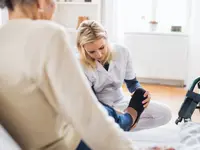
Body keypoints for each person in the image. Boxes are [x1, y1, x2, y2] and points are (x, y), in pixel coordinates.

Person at [0, 0, 143, 149]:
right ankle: (129, 118)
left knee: (107, 111)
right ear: (42, 3)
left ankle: (127, 118)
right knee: (105, 113)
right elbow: (88, 116)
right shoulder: (48, 34)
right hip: (68, 144)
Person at [76, 20, 172, 131]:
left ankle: (121, 125)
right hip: (98, 108)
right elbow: (90, 99)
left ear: (106, 38)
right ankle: (123, 123)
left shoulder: (122, 52)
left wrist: (141, 93)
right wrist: (114, 114)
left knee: (165, 113)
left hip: (121, 102)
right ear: (82, 48)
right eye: (92, 52)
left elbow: (132, 83)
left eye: (102, 48)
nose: (99, 54)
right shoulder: (78, 63)